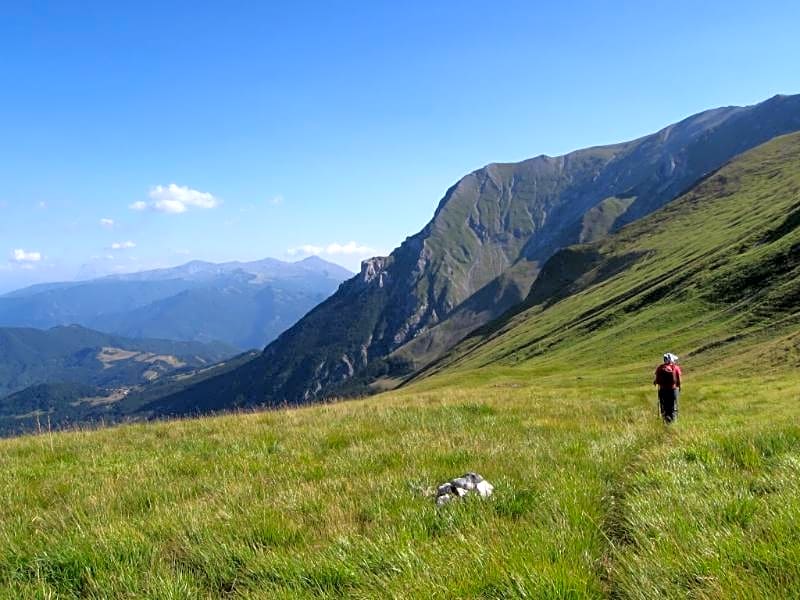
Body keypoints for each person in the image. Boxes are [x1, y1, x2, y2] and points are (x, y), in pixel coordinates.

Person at [653, 353, 681, 423]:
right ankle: (673, 422)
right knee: (673, 406)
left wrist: (657, 382)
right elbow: (679, 379)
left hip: (662, 390)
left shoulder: (660, 368)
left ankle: (665, 421)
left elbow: (656, 381)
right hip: (673, 390)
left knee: (664, 407)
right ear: (671, 359)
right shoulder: (675, 368)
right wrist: (679, 386)